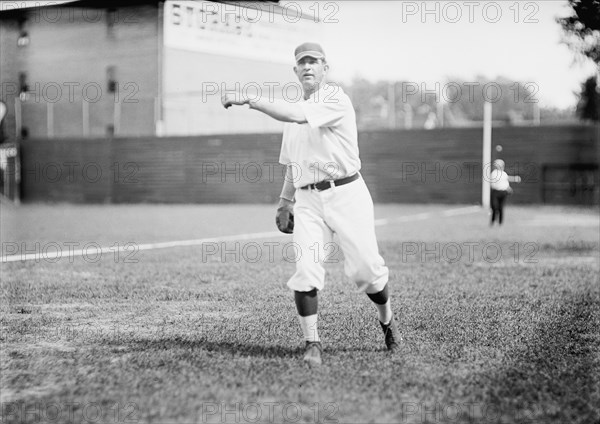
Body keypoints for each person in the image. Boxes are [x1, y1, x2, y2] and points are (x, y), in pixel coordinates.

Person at [221, 42, 401, 366]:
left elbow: (296, 114)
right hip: (308, 200)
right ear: (295, 70)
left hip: (347, 193)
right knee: (305, 272)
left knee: (368, 271)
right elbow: (293, 164)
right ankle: (312, 343)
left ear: (324, 68)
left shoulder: (334, 99)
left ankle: (387, 323)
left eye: (313, 61)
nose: (307, 67)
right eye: (302, 62)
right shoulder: (293, 114)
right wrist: (283, 202)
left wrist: (250, 98)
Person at [490, 159, 521, 225]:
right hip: (495, 192)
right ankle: (493, 221)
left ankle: (500, 223)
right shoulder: (494, 173)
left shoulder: (503, 173)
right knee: (495, 207)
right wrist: (515, 179)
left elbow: (505, 181)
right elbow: (502, 180)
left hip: (503, 192)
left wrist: (509, 187)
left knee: (501, 208)